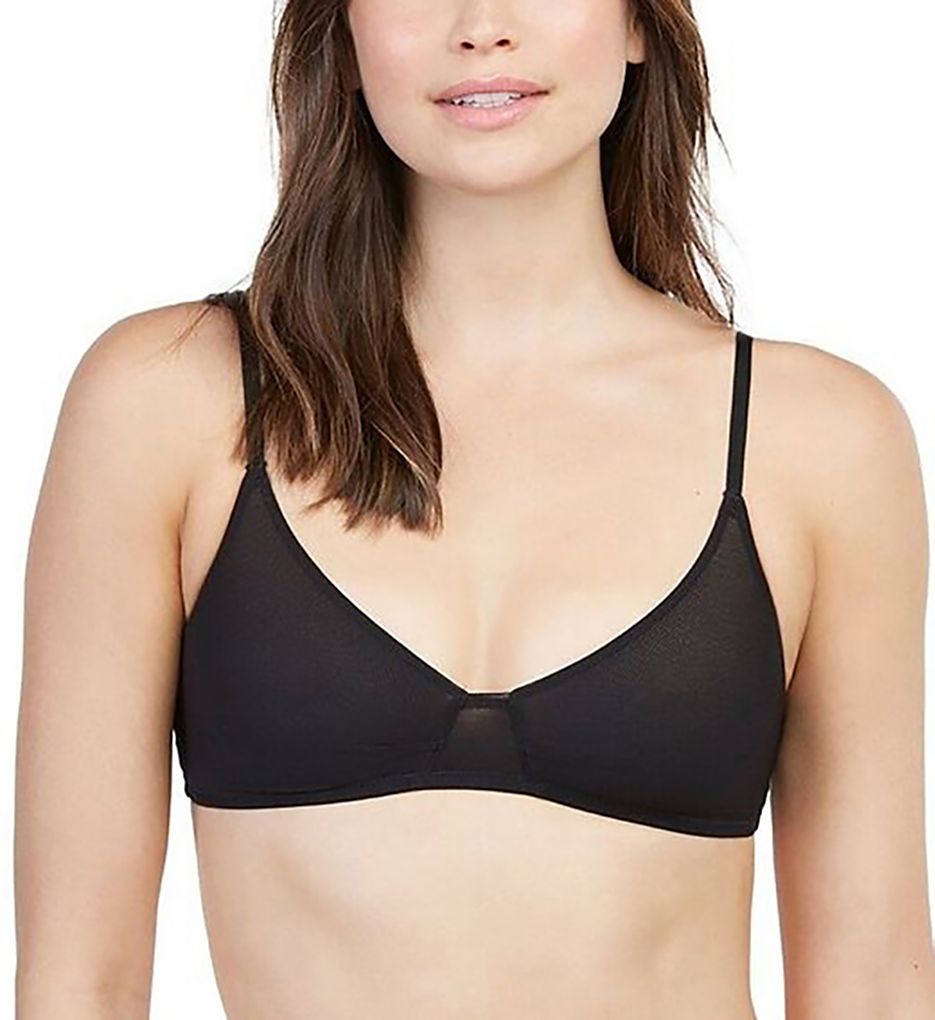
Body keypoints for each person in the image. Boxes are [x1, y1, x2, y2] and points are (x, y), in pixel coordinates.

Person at [15, 2, 934, 1017]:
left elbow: (872, 988)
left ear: (638, 25)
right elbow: (79, 983)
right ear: (342, 38)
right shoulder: (167, 401)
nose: (482, 24)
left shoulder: (817, 440)